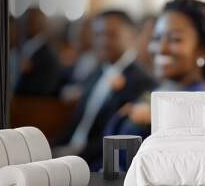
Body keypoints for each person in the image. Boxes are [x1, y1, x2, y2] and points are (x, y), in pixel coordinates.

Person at [104, 0, 205, 140]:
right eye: (157, 38)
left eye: (175, 39)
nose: (161, 49)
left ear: (203, 49)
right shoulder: (157, 90)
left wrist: (156, 121)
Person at [53, 10, 156, 170]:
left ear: (131, 36)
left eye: (110, 35)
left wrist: (72, 157)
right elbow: (77, 123)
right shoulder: (97, 72)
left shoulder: (142, 81)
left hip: (96, 164)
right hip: (70, 153)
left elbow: (118, 138)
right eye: (98, 35)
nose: (102, 41)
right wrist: (52, 149)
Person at [14, 8, 62, 96]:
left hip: (34, 104)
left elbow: (47, 88)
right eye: (25, 21)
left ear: (41, 24)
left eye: (30, 21)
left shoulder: (48, 54)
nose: (25, 25)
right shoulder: (26, 47)